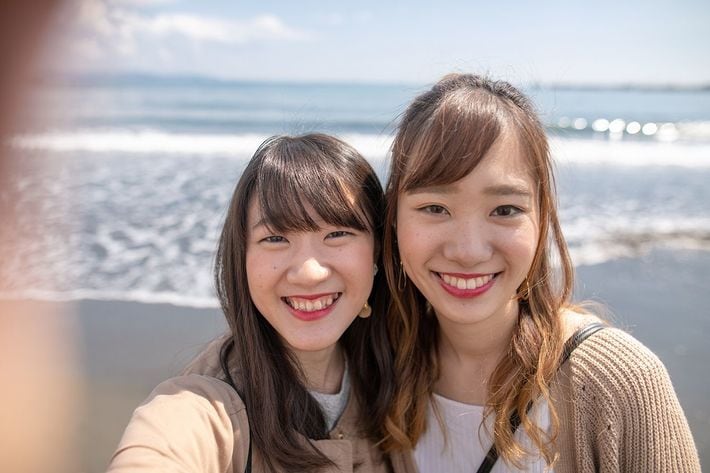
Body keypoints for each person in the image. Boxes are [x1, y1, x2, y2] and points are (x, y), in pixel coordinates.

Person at [381, 74, 700, 472]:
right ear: (393, 218)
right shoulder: (377, 367)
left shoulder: (616, 378)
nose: (468, 251)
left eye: (505, 210)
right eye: (435, 208)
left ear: (542, 218)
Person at [107, 134, 394, 473]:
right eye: (275, 238)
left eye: (337, 234)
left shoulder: (400, 372)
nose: (309, 273)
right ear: (241, 257)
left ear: (376, 250)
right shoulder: (205, 406)